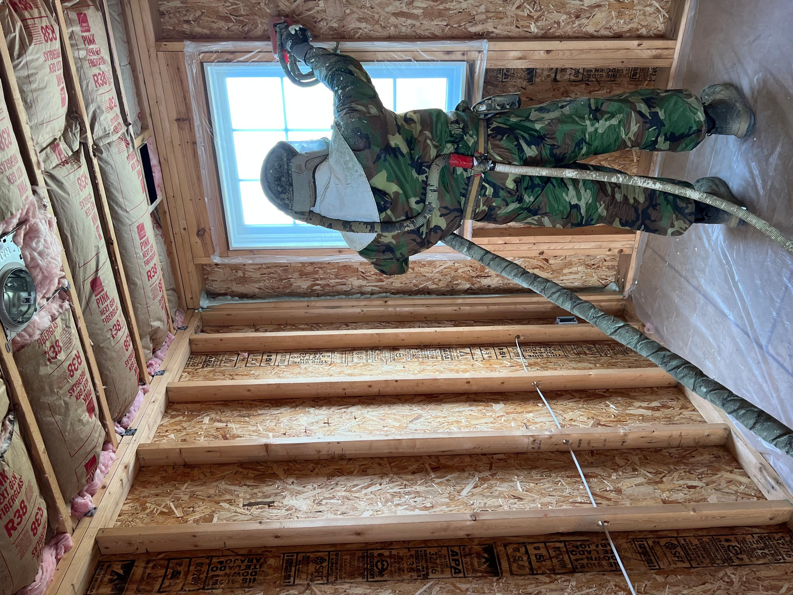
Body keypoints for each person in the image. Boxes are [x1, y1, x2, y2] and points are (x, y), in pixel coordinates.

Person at [261, 25, 755, 275]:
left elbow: (398, 264)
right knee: (605, 124)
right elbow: (344, 74)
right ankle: (717, 117)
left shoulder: (373, 245)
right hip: (501, 141)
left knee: (608, 200)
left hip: (502, 200)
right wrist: (300, 50)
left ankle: (708, 208)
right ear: (307, 164)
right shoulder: (356, 138)